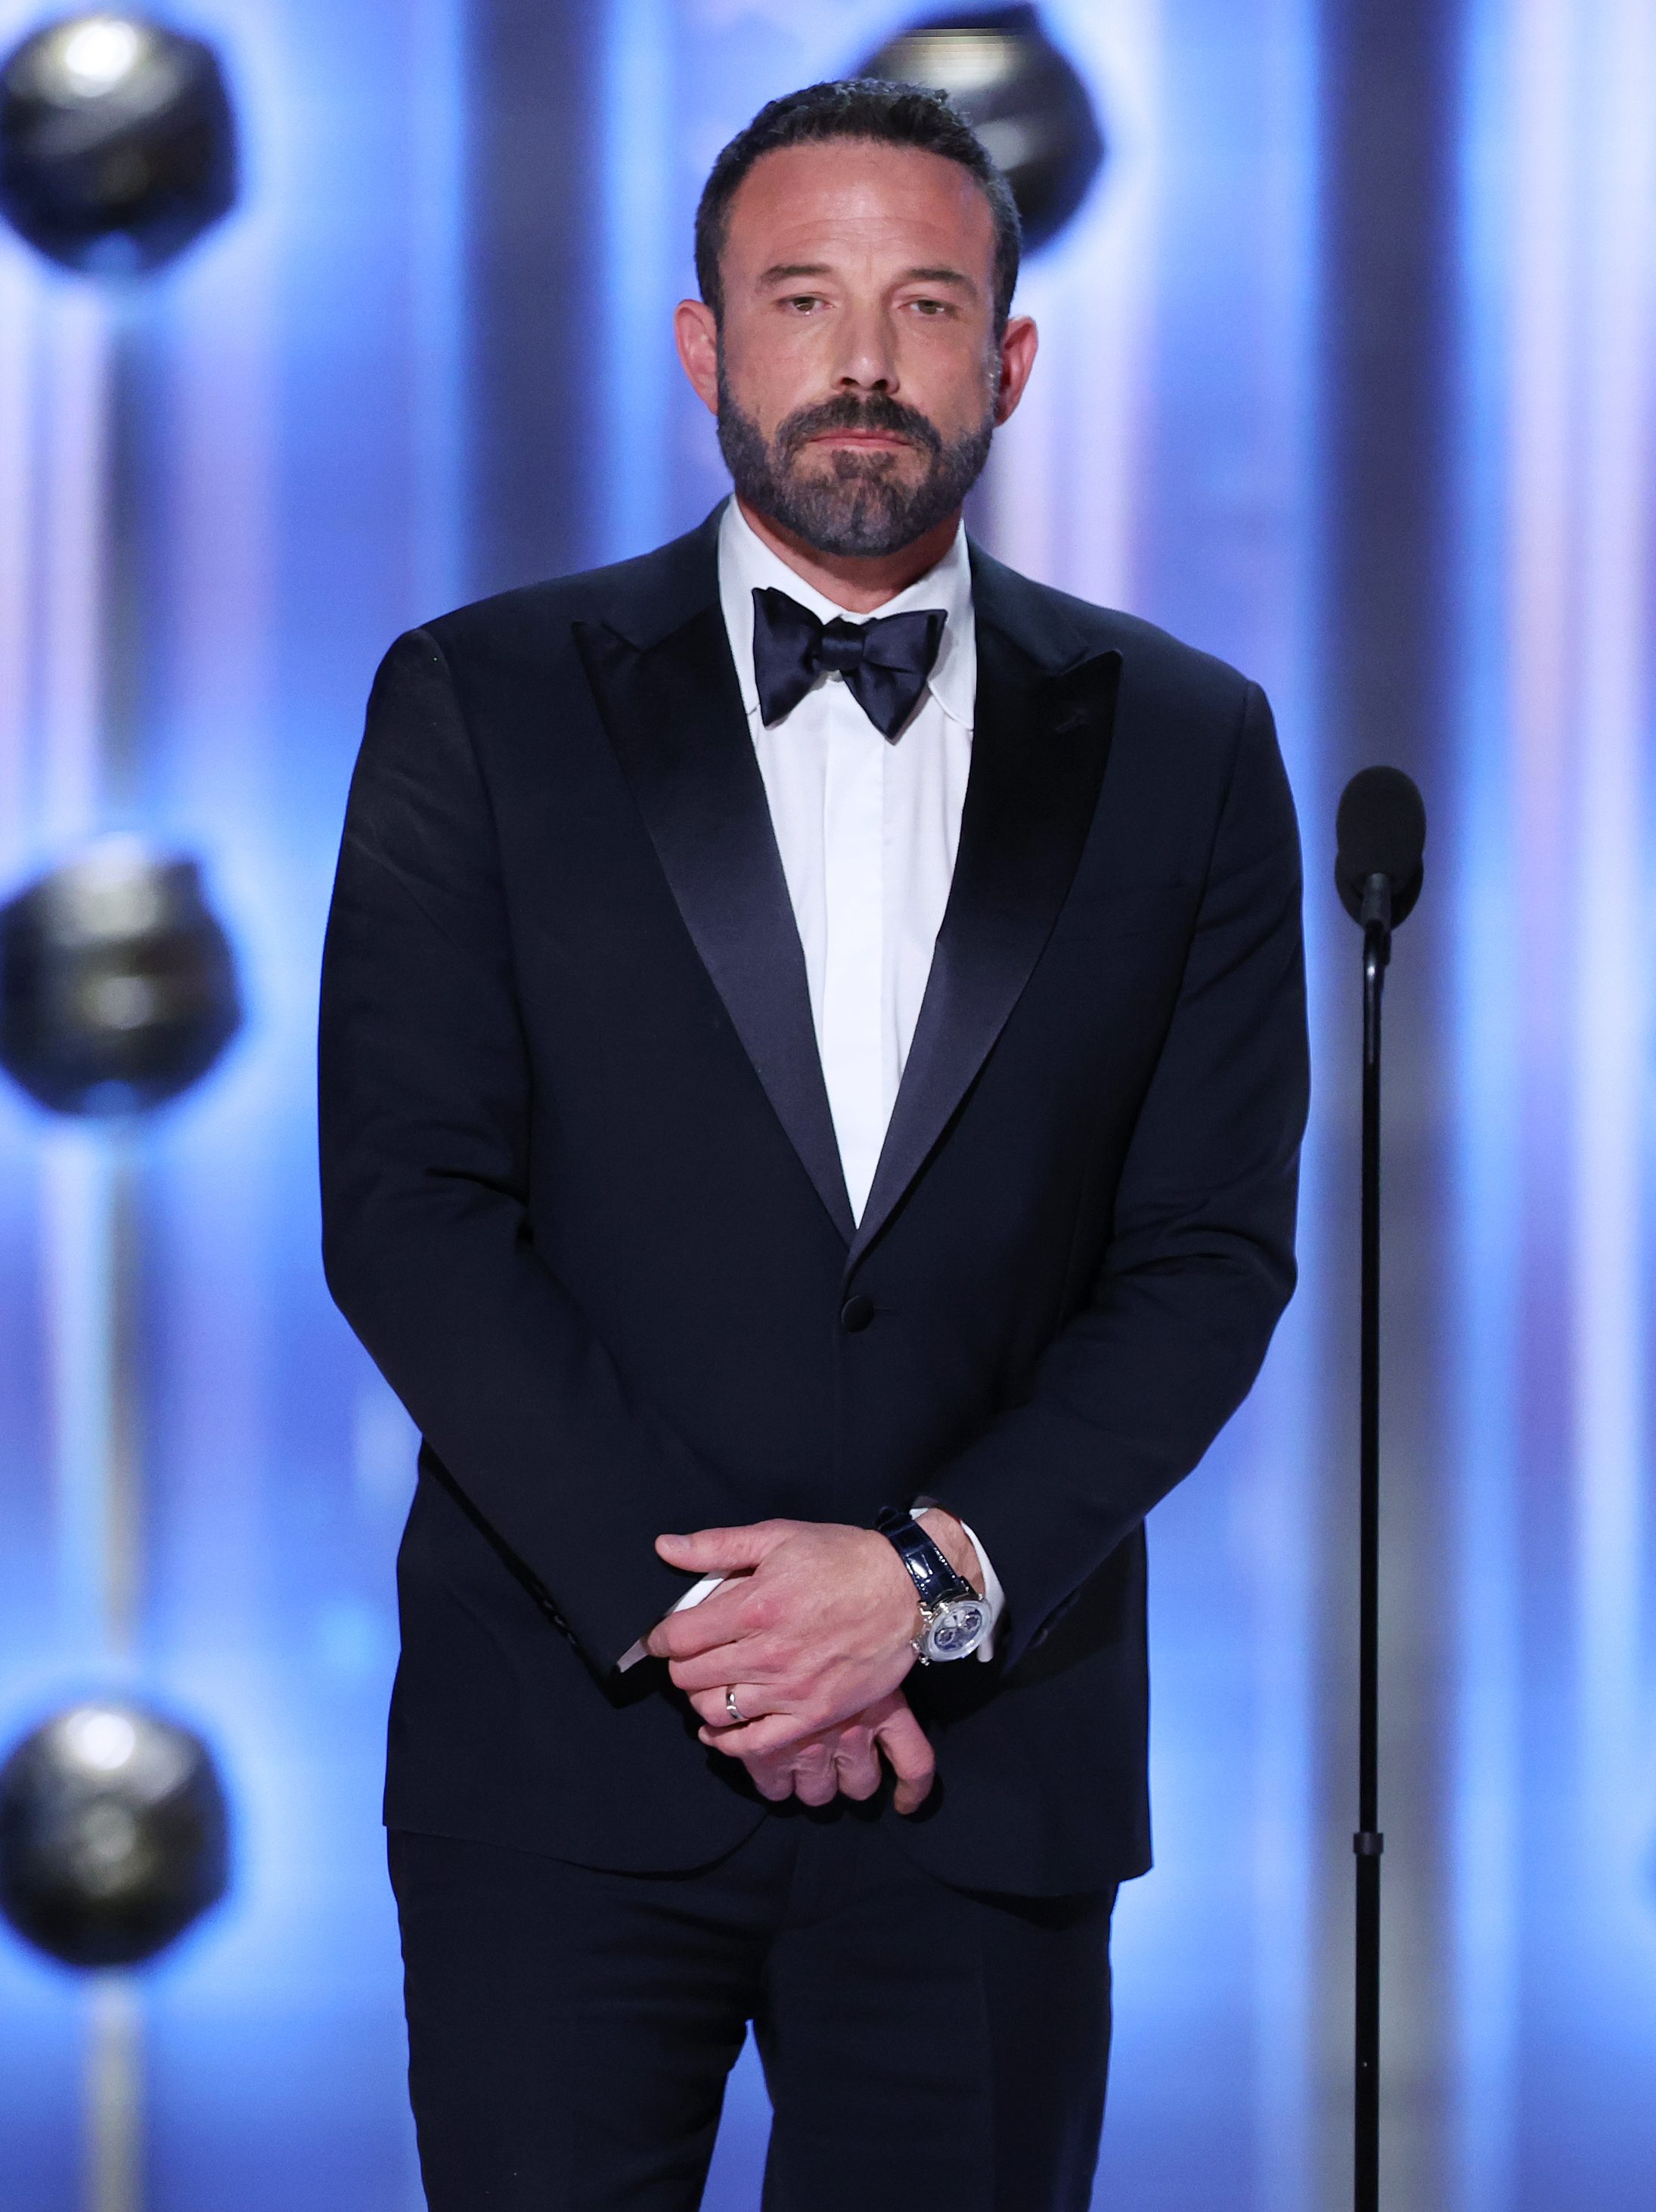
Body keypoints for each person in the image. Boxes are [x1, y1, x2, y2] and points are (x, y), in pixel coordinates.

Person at [319, 76, 1307, 2212]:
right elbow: (409, 1209)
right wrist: (732, 1633)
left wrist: (929, 1587)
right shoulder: (478, 702)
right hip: (557, 1766)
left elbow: (1209, 1253)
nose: (863, 362)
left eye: (926, 305)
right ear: (705, 346)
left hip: (989, 1770)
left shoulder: (1196, 745)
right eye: (802, 298)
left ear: (1009, 362)